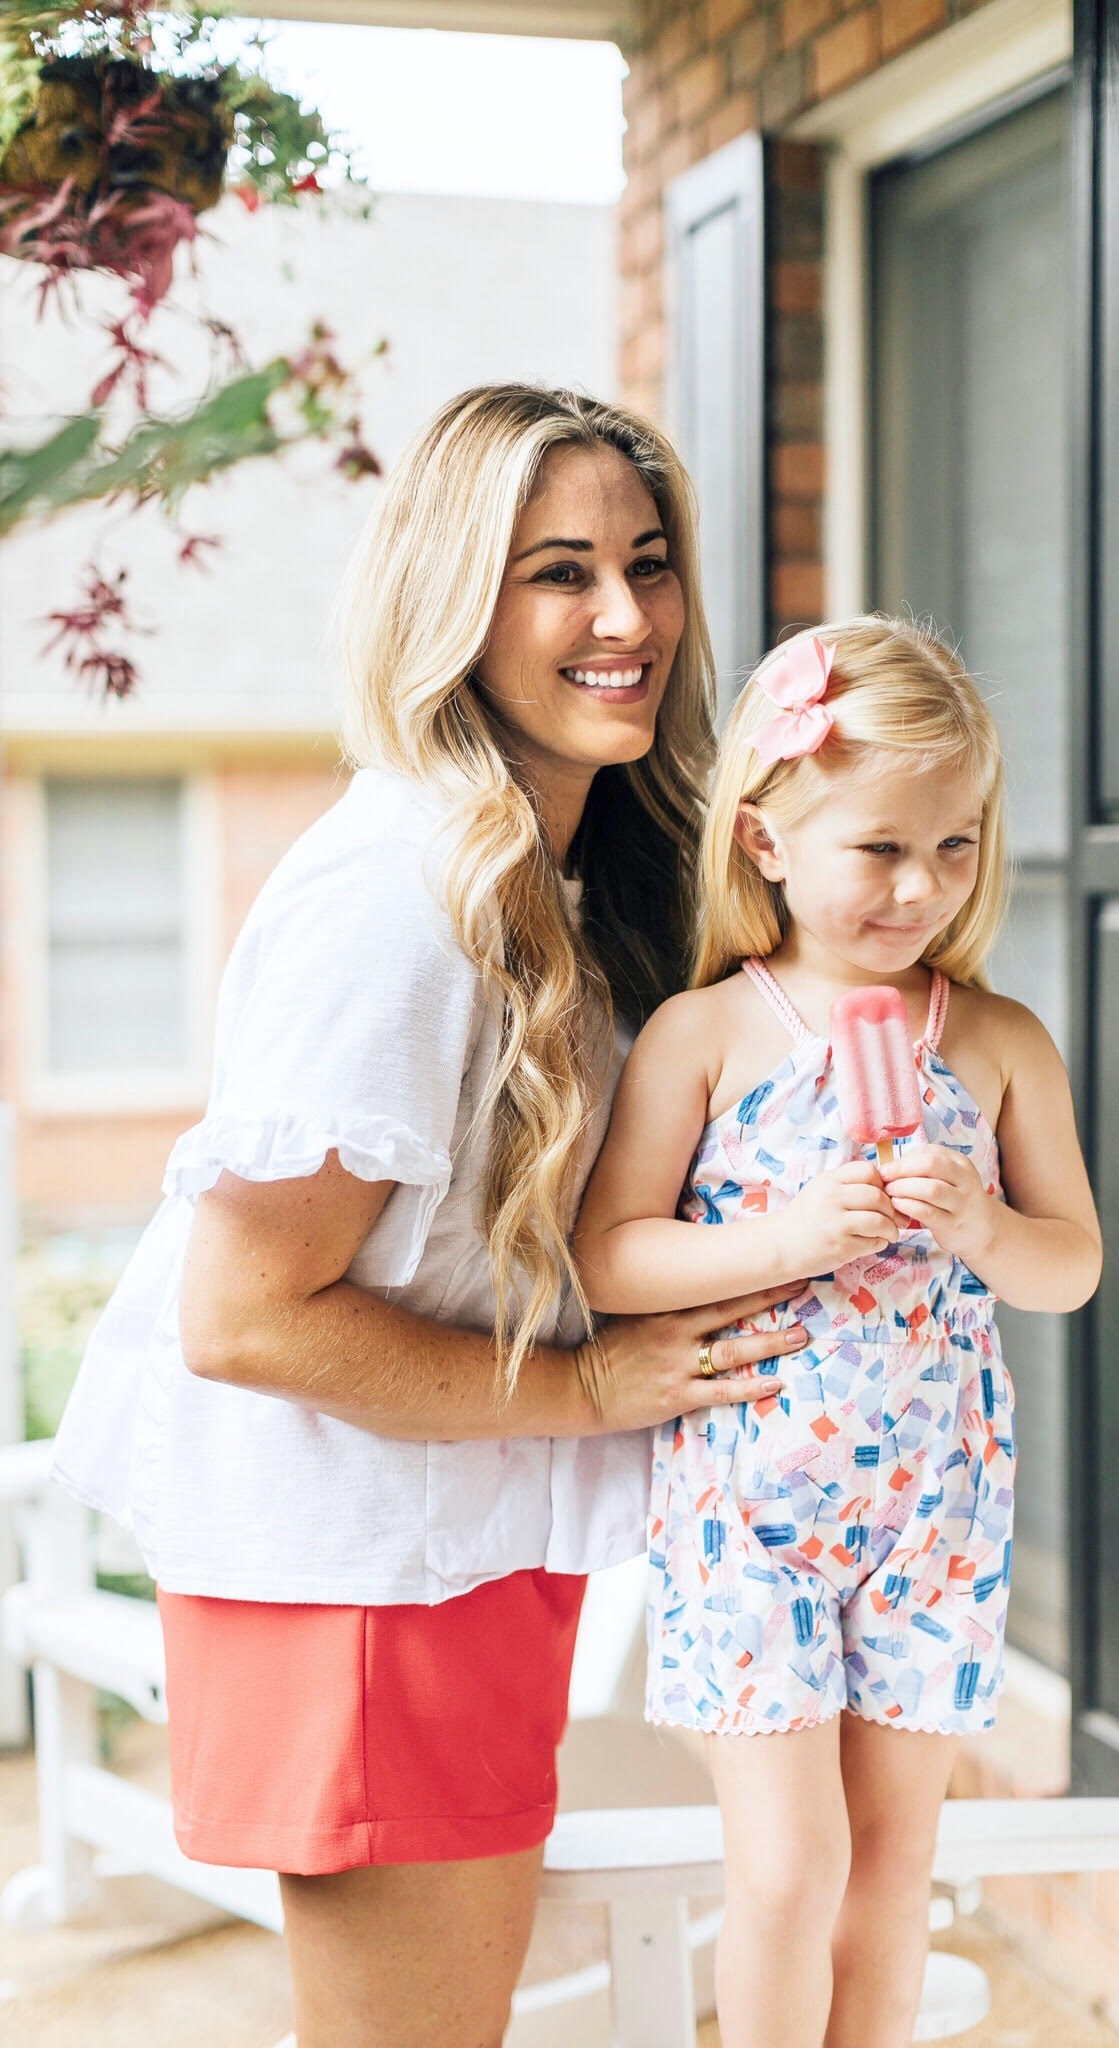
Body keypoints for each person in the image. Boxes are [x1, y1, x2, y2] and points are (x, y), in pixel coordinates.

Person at [51, 384, 809, 2048]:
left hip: (454, 1533)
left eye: (648, 562)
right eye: (557, 573)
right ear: (454, 604)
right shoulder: (399, 897)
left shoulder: (577, 866)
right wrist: (597, 1389)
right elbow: (245, 1317)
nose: (625, 620)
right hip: (359, 1574)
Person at [575, 614, 1104, 2048]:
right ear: (763, 840)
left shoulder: (993, 1043)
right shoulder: (705, 1035)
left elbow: (1070, 1266)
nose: (921, 885)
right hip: (749, 1507)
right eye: (879, 847)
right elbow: (610, 1258)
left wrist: (983, 1230)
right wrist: (786, 1238)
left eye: (954, 847)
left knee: (892, 1874)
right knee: (791, 1865)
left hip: (934, 1504)